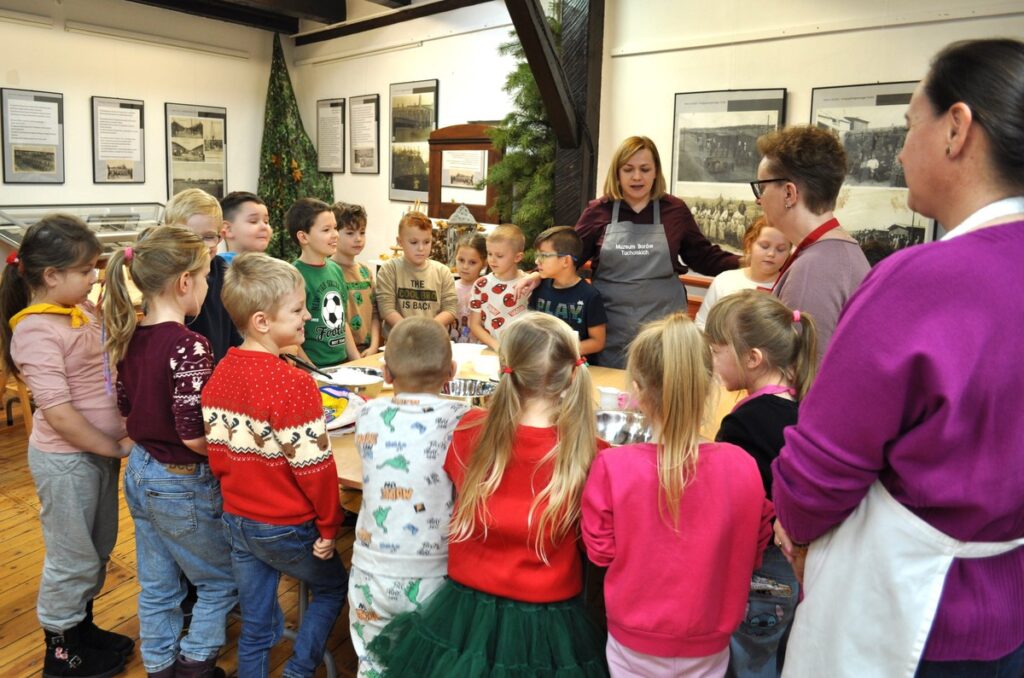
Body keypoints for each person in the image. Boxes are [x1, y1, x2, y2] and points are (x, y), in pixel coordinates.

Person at [772, 38, 1024, 677]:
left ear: (956, 129)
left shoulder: (925, 280)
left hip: (911, 616)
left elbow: (821, 467)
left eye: (911, 124)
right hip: (1006, 606)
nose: (903, 149)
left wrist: (796, 530)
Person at [367, 312, 609, 676]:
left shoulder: (468, 434)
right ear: (573, 374)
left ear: (504, 369)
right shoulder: (595, 453)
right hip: (548, 614)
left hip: (465, 607)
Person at [581, 312, 772, 677]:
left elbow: (601, 551)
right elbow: (755, 545)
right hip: (710, 639)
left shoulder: (613, 467)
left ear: (636, 389)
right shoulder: (742, 466)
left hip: (632, 638)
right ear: (707, 385)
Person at [0, 216, 134, 677]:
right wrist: (114, 448)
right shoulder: (36, 331)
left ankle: (82, 629)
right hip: (68, 461)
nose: (93, 276)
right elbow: (57, 412)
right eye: (84, 270)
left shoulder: (79, 311)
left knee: (97, 549)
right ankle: (60, 651)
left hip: (94, 454)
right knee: (70, 557)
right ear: (51, 276)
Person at [203, 253, 347, 678]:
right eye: (298, 310)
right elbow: (315, 469)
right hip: (286, 523)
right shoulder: (294, 383)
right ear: (263, 321)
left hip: (238, 518)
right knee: (332, 586)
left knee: (256, 620)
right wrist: (328, 525)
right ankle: (299, 671)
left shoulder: (221, 371)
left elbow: (218, 455)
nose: (308, 315)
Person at [103, 227, 236, 677]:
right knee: (220, 581)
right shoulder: (190, 345)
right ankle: (196, 663)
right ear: (184, 282)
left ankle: (159, 666)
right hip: (180, 479)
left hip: (140, 470)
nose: (206, 287)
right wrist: (231, 452)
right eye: (204, 278)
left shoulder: (130, 334)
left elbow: (126, 407)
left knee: (158, 585)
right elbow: (193, 434)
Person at [517, 136, 739, 368]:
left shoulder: (674, 210)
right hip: (611, 326)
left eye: (645, 169)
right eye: (628, 169)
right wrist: (536, 274)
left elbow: (703, 257)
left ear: (656, 173)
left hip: (665, 325)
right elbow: (569, 254)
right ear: (617, 173)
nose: (637, 177)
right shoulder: (598, 211)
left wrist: (745, 262)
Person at [704, 291, 818, 677]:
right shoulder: (802, 405)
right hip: (794, 571)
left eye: (716, 350)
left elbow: (730, 501)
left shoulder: (745, 423)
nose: (710, 360)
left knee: (747, 659)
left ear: (752, 358)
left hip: (761, 568)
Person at [348, 317, 467, 678]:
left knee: (372, 663)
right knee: (429, 663)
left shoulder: (367, 414)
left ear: (385, 373)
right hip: (433, 575)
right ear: (452, 371)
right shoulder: (461, 417)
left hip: (372, 570)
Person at [751, 126, 870, 364]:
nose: (758, 199)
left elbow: (798, 377)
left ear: (789, 193)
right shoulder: (838, 252)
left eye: (762, 188)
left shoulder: (814, 269)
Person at [167, 187, 242, 364]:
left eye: (208, 237)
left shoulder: (226, 273)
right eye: (189, 237)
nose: (199, 247)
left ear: (220, 236)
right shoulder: (164, 275)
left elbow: (235, 336)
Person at [286, 197, 359, 367]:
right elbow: (290, 335)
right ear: (303, 237)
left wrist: (356, 360)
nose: (335, 235)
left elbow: (342, 321)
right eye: (326, 230)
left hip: (341, 364)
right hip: (314, 368)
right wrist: (312, 370)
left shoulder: (335, 269)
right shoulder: (293, 275)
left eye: (335, 228)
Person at [694, 217, 790, 330]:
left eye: (780, 249)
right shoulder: (724, 280)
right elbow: (702, 324)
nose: (771, 254)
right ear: (749, 245)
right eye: (764, 246)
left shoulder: (788, 287)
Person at [528, 225, 607, 360]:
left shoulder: (590, 296)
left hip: (577, 368)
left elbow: (598, 342)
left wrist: (559, 351)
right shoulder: (539, 288)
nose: (537, 261)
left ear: (566, 261)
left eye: (544, 255)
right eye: (537, 255)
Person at [375, 211, 457, 335]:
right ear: (400, 241)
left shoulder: (443, 272)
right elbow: (386, 309)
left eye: (426, 242)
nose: (421, 248)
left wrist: (426, 331)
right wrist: (411, 332)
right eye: (414, 242)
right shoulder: (389, 270)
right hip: (398, 343)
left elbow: (450, 309)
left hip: (432, 341)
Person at [330, 202, 381, 355]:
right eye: (350, 233)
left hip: (367, 350)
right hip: (341, 352)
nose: (358, 239)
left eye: (362, 232)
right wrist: (354, 355)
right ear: (334, 233)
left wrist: (373, 346)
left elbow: (375, 314)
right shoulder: (329, 271)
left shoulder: (366, 272)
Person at [468, 224, 528, 349]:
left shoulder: (528, 283)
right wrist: (496, 346)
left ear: (517, 257)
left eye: (499, 256)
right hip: (489, 349)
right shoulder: (481, 285)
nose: (492, 260)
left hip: (520, 351)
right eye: (489, 254)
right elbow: (474, 324)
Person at [451, 232, 487, 343]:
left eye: (472, 262)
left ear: (484, 264)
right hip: (452, 346)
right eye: (461, 260)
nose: (465, 267)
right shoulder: (449, 287)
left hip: (478, 348)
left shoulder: (486, 289)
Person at [218, 191, 271, 263]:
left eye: (266, 221)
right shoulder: (216, 269)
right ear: (228, 229)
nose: (264, 227)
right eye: (253, 221)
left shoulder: (274, 268)